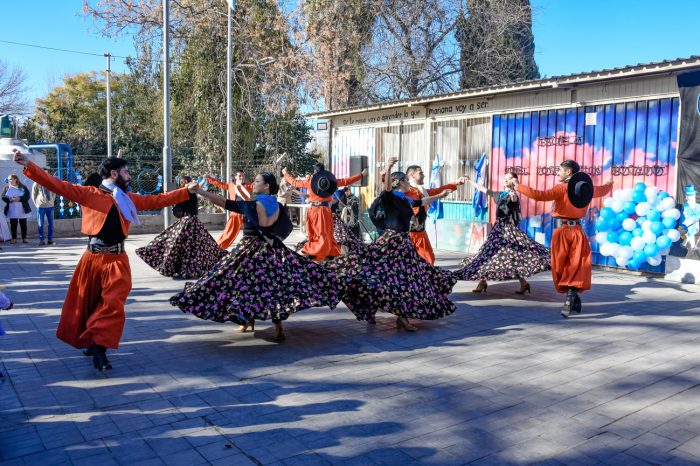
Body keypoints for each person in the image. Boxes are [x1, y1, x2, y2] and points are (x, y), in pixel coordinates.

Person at [12, 149, 198, 371]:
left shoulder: (127, 199)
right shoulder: (90, 194)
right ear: (114, 173)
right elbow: (57, 185)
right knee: (90, 303)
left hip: (117, 261)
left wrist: (185, 191)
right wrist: (29, 165)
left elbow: (156, 200)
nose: (129, 176)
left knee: (112, 305)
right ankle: (92, 341)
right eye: (126, 172)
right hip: (92, 259)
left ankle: (99, 348)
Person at [170, 172, 349, 342]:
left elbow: (224, 202)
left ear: (266, 187)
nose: (253, 184)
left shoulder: (252, 204)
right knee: (274, 288)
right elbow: (284, 228)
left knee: (238, 284)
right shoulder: (278, 205)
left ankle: (249, 321)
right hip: (273, 251)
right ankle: (273, 325)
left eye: (257, 181)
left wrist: (201, 191)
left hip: (249, 251)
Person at [326, 158, 457, 331]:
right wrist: (388, 167)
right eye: (404, 180)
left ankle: (402, 317)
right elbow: (387, 186)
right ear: (400, 182)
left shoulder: (404, 198)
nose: (407, 183)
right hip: (390, 241)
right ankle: (372, 309)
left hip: (403, 243)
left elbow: (421, 202)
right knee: (378, 274)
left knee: (408, 279)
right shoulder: (390, 196)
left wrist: (440, 196)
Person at [514, 160, 613, 318]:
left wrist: (517, 186)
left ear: (568, 173)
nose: (557, 173)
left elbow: (539, 195)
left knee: (560, 266)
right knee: (576, 265)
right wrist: (609, 183)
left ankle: (570, 297)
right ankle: (574, 296)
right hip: (578, 232)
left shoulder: (562, 188)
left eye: (560, 170)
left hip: (562, 232)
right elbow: (602, 191)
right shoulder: (586, 188)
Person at [454, 171, 551, 294]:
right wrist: (469, 181)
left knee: (512, 257)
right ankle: (483, 281)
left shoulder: (512, 195)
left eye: (509, 179)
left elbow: (514, 199)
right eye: (505, 178)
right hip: (497, 230)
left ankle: (523, 283)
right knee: (488, 254)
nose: (506, 180)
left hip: (508, 230)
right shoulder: (498, 195)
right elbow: (482, 189)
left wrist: (513, 193)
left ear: (514, 181)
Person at [136, 176, 226, 279]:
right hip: (189, 221)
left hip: (190, 221)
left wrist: (203, 180)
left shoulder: (189, 190)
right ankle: (189, 268)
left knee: (188, 245)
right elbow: (195, 187)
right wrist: (201, 181)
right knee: (188, 245)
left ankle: (188, 268)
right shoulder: (186, 191)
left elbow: (196, 187)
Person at [283, 163, 367, 261]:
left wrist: (285, 173)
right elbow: (346, 181)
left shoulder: (310, 181)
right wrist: (361, 174)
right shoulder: (331, 181)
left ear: (315, 172)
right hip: (324, 210)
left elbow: (294, 182)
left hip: (313, 210)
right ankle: (327, 252)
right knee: (325, 233)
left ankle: (316, 252)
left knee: (315, 233)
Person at [405, 165, 467, 265]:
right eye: (420, 173)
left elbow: (438, 191)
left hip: (419, 233)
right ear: (412, 175)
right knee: (419, 261)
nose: (424, 175)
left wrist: (455, 183)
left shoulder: (422, 191)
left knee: (428, 259)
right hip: (408, 234)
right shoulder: (407, 192)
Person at [206, 170, 253, 249]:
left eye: (243, 176)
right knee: (229, 232)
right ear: (235, 177)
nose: (242, 177)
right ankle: (219, 247)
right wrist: (209, 178)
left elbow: (258, 186)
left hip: (247, 212)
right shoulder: (231, 185)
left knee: (252, 232)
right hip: (236, 213)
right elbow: (220, 184)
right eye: (240, 176)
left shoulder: (248, 186)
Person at [2, 174, 31, 244]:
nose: (9, 181)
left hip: (22, 208)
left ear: (15, 179)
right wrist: (10, 199)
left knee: (23, 224)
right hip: (12, 209)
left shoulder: (23, 187)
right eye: (8, 179)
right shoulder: (7, 187)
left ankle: (24, 238)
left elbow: (27, 196)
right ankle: (14, 239)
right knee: (13, 224)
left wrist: (19, 199)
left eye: (11, 179)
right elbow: (3, 197)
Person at [31, 168, 57, 245]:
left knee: (51, 223)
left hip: (50, 206)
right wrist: (36, 204)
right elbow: (33, 194)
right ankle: (41, 239)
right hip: (40, 206)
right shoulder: (36, 183)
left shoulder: (51, 182)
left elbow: (54, 193)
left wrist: (52, 201)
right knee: (40, 223)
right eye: (43, 173)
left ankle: (50, 239)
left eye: (46, 173)